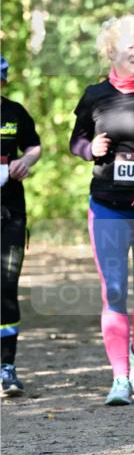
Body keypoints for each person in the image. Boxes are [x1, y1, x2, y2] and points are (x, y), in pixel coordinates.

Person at [70, 15, 134, 406]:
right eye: (131, 45)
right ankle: (120, 378)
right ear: (111, 51)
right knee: (113, 291)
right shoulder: (95, 94)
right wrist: (89, 149)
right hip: (108, 204)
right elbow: (75, 141)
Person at [1, 56, 42, 395]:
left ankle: (7, 367)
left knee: (6, 288)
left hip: (10, 215)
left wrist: (27, 159)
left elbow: (34, 145)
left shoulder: (14, 112)